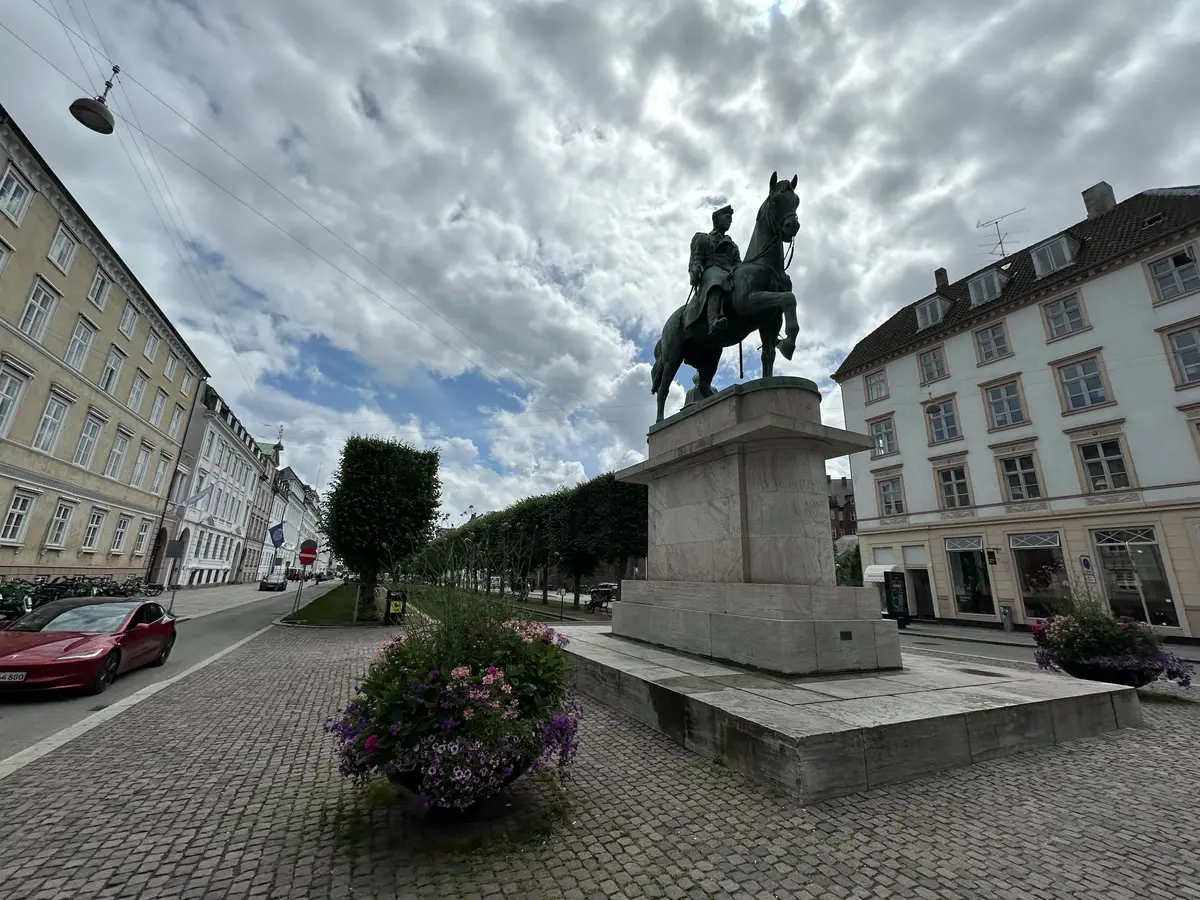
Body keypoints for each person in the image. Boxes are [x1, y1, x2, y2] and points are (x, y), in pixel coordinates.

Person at [684, 205, 741, 337]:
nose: (730, 220)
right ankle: (713, 319)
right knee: (718, 279)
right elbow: (696, 259)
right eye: (727, 217)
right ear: (716, 219)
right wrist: (695, 270)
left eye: (731, 218)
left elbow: (738, 263)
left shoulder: (732, 245)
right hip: (710, 271)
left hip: (730, 274)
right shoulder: (702, 238)